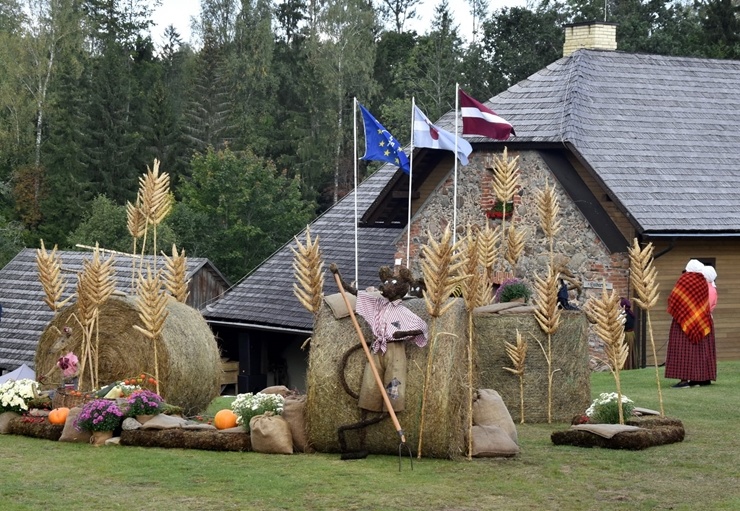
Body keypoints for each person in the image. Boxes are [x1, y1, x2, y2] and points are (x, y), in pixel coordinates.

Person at [664, 259, 716, 388]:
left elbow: (674, 299)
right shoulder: (703, 282)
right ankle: (699, 379)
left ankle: (684, 381)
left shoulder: (684, 280)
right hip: (702, 320)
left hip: (683, 321)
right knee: (700, 351)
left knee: (683, 350)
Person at [620, 298, 637, 370]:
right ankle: (632, 366)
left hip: (626, 335)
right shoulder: (631, 313)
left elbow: (620, 324)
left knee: (625, 351)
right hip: (632, 334)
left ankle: (626, 367)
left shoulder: (624, 315)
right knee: (630, 350)